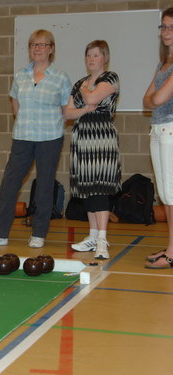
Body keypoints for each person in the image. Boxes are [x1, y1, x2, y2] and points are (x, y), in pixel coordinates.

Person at [0, 29, 71, 249]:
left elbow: (66, 109)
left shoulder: (60, 77)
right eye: (33, 45)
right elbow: (15, 104)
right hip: (22, 137)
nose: (37, 49)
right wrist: (26, 122)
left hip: (50, 138)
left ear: (51, 49)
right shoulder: (20, 75)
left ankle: (39, 233)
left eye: (42, 45)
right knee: (9, 184)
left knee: (45, 185)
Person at [65, 40, 121, 260]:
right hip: (82, 137)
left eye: (96, 55)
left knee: (99, 187)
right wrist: (85, 109)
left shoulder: (111, 77)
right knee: (87, 188)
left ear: (105, 57)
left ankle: (102, 239)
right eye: (89, 55)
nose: (91, 59)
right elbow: (67, 113)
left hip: (102, 138)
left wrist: (86, 98)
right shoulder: (80, 81)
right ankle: (92, 235)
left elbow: (92, 97)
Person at [143, 7, 173, 269]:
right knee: (165, 195)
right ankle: (171, 247)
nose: (166, 32)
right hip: (157, 128)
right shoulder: (163, 63)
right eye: (163, 26)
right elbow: (146, 100)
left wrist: (155, 97)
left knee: (172, 194)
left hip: (171, 130)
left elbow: (159, 98)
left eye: (171, 27)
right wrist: (154, 97)